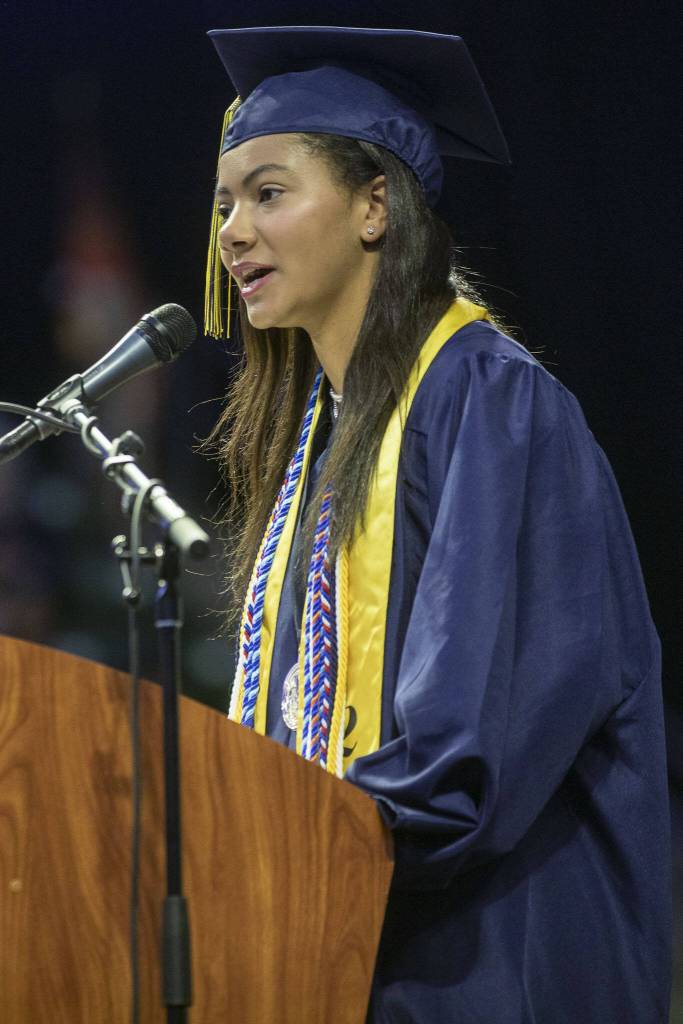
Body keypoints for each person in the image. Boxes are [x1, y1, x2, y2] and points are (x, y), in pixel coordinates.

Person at [203, 24, 672, 1023]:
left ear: (374, 205)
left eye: (269, 193)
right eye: (226, 202)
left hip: (495, 965)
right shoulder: (323, 451)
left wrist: (257, 851)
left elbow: (460, 753)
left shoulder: (493, 405)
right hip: (354, 954)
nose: (233, 230)